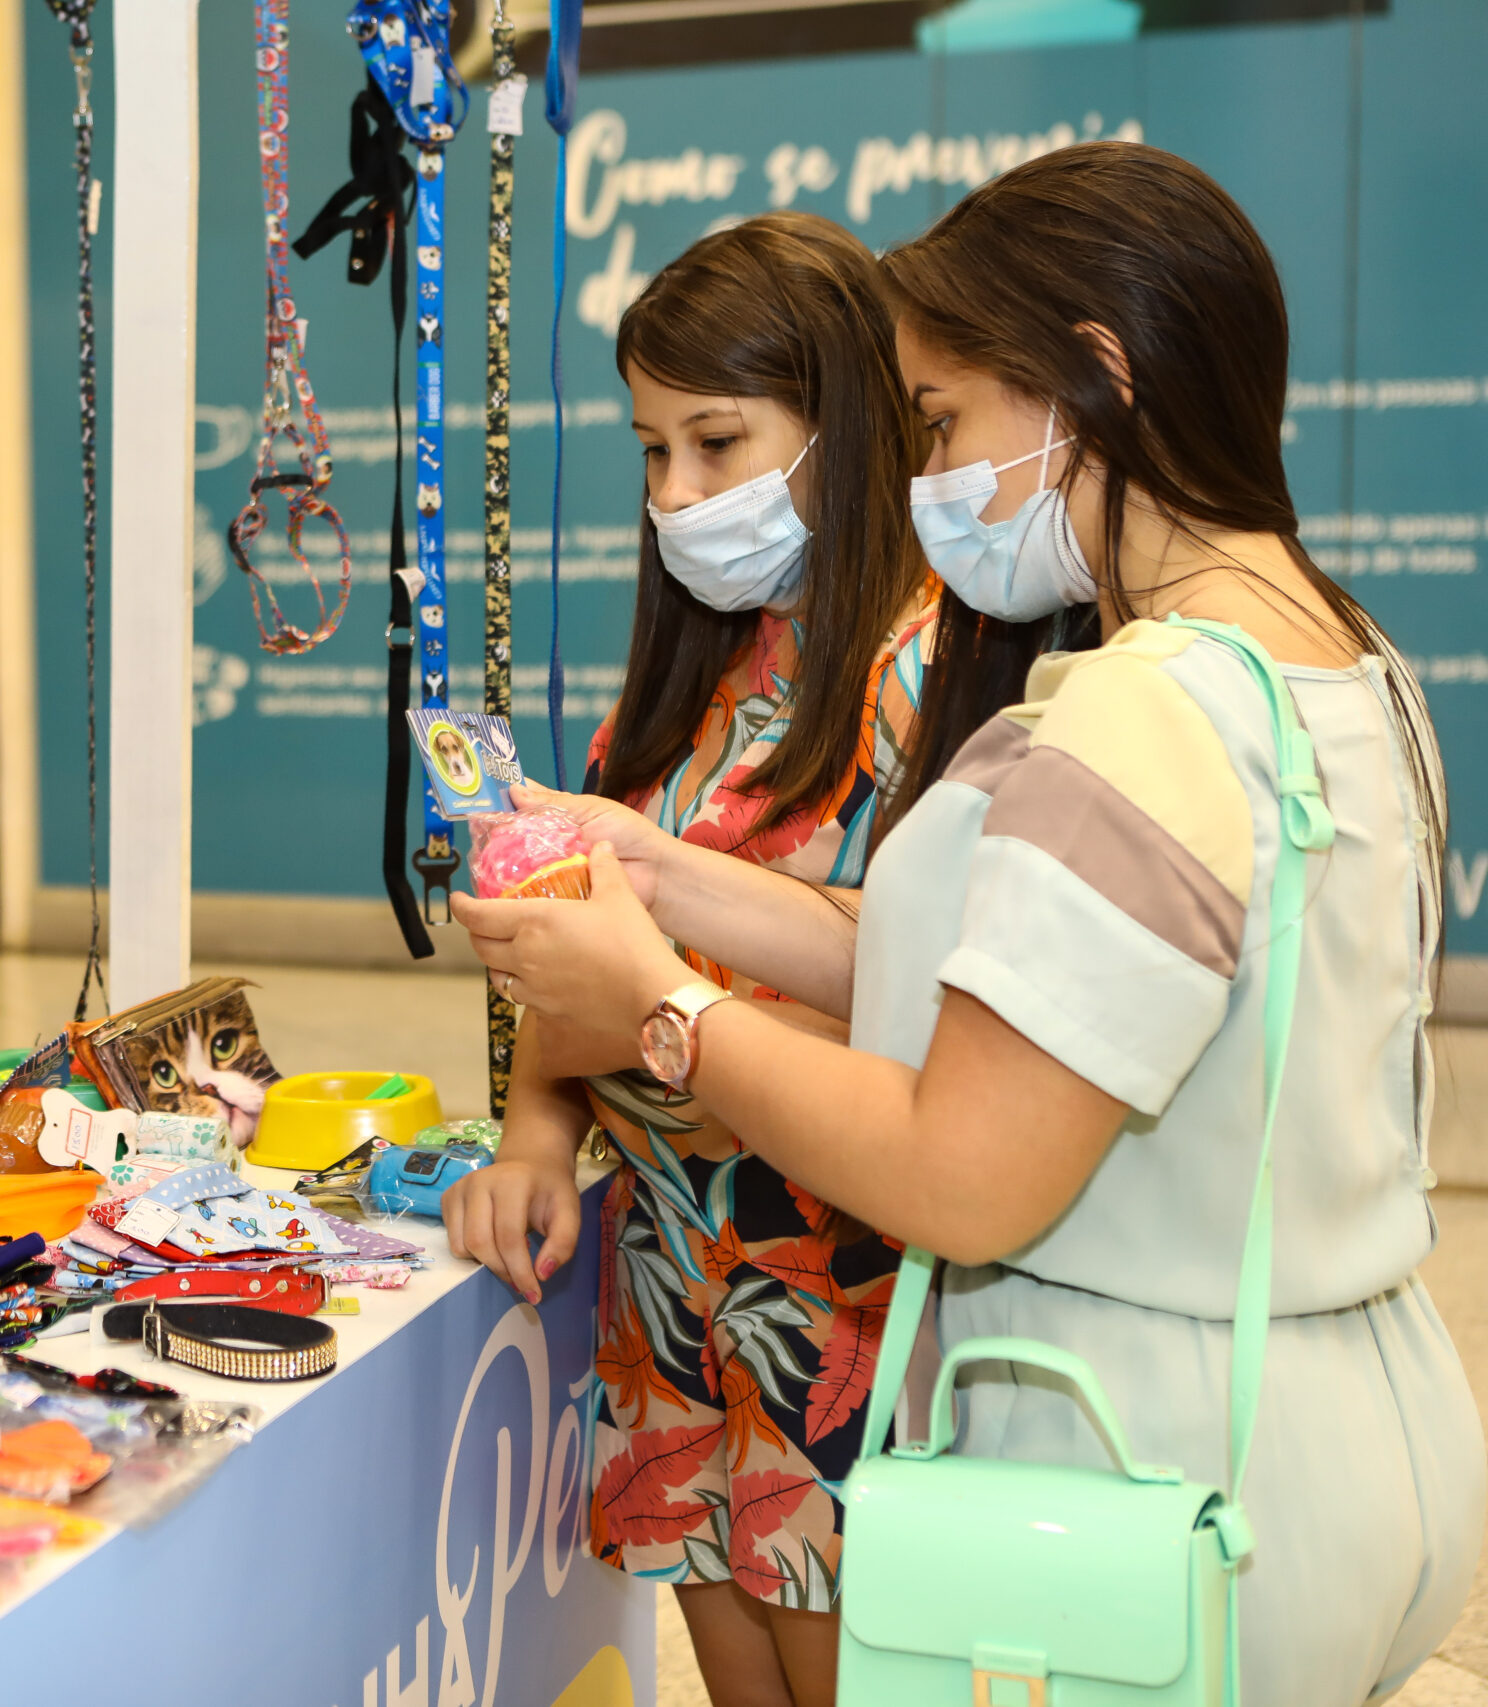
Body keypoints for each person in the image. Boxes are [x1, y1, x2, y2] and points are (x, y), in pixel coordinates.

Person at [455, 142, 1483, 1704]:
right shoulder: (1342, 668)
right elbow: (1028, 984)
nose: (926, 470)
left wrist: (667, 1005)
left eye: (941, 420)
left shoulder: (1145, 714)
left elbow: (962, 1169)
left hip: (1150, 1459)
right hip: (1354, 1419)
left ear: (1090, 383)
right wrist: (667, 880)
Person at [443, 210, 936, 1707]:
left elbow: (951, 983)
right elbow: (582, 956)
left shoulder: (938, 669)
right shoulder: (688, 683)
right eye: (654, 453)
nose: (679, 495)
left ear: (844, 428)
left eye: (717, 444)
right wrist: (535, 1132)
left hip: (847, 1304)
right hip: (671, 1299)